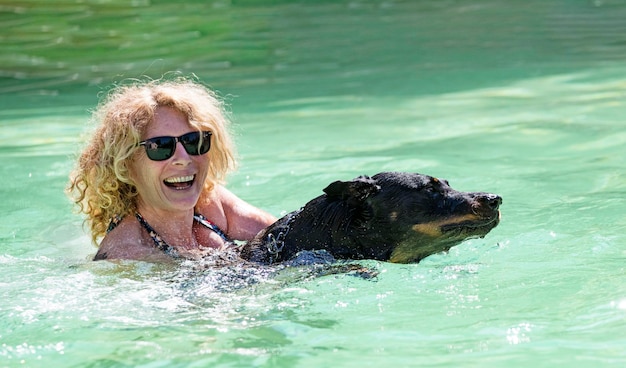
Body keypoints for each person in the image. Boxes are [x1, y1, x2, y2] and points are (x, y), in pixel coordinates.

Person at [67, 76, 277, 262]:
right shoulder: (124, 254)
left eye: (194, 141)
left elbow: (285, 235)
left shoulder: (212, 204)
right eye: (161, 147)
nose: (184, 159)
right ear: (125, 165)